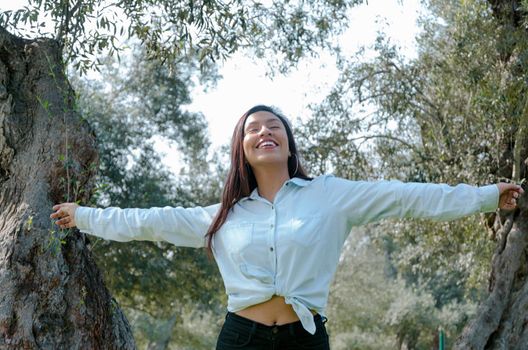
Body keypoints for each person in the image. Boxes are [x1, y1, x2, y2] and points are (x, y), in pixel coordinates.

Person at [51, 105, 523, 350]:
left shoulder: (332, 195)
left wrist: (483, 196)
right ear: (243, 149)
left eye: (273, 125)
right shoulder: (223, 215)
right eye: (253, 129)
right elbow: (147, 222)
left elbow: (408, 196)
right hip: (240, 339)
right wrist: (82, 216)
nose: (264, 132)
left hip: (306, 338)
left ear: (288, 143)